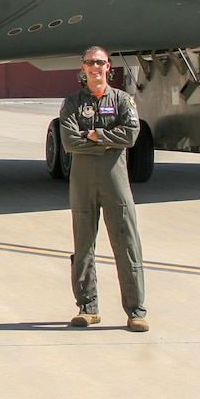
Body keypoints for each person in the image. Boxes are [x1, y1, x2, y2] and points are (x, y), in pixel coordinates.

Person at [58, 46, 148, 332]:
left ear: (109, 67)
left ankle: (136, 311)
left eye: (100, 62)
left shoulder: (123, 100)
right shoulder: (71, 103)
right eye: (89, 63)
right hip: (82, 183)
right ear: (82, 68)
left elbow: (131, 134)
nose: (95, 67)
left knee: (127, 244)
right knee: (83, 246)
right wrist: (108, 142)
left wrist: (95, 136)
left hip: (115, 182)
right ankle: (88, 308)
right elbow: (70, 141)